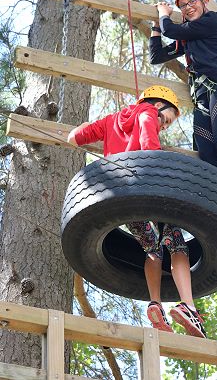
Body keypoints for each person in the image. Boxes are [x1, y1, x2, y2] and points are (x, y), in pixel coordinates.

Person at [67, 85, 206, 338]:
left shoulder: (110, 120)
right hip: (145, 187)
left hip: (120, 198)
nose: (163, 125)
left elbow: (74, 138)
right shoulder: (148, 114)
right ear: (157, 105)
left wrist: (83, 125)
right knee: (176, 244)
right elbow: (148, 143)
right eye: (166, 119)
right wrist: (158, 164)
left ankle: (155, 303)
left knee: (153, 248)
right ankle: (188, 306)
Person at [149, 0, 217, 184]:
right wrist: (156, 26)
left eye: (193, 2)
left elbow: (171, 30)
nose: (189, 8)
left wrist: (164, 14)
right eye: (183, 5)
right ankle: (212, 191)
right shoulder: (190, 37)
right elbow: (157, 57)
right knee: (203, 146)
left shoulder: (213, 21)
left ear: (203, 1)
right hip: (202, 98)